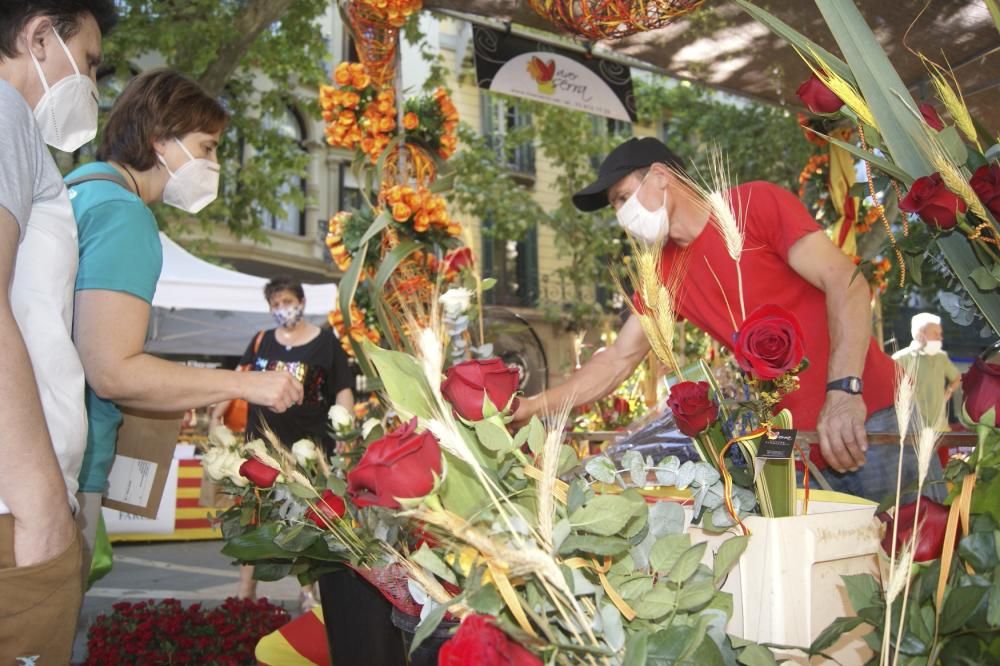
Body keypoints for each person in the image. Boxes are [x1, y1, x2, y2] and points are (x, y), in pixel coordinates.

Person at [514, 137, 923, 503]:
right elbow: (619, 358)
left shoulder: (755, 204)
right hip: (789, 444)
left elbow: (846, 284)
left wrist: (843, 392)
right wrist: (533, 406)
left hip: (869, 415)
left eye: (622, 198)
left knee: (916, 566)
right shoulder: (660, 274)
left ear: (659, 176)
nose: (621, 215)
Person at [65, 69, 305, 572]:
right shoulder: (123, 213)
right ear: (159, 142)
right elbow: (113, 371)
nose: (214, 164)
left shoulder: (77, 191)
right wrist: (250, 385)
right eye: (207, 147)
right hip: (64, 469)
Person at [0, 1, 115, 661]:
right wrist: (43, 500)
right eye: (90, 63)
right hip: (15, 509)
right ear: (39, 35)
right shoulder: (8, 111)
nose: (92, 87)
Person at [211, 276, 355, 604]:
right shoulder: (262, 341)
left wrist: (345, 433)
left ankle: (310, 594)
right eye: (275, 305)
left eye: (287, 302)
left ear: (301, 302)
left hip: (309, 449)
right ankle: (245, 594)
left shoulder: (326, 342)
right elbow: (239, 379)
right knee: (255, 517)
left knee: (308, 519)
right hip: (261, 445)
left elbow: (342, 389)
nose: (282, 309)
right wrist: (215, 415)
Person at [892, 313, 961, 431]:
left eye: (940, 334)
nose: (940, 338)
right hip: (912, 430)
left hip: (939, 428)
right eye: (935, 334)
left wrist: (948, 391)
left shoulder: (941, 357)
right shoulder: (900, 359)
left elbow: (957, 378)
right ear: (920, 334)